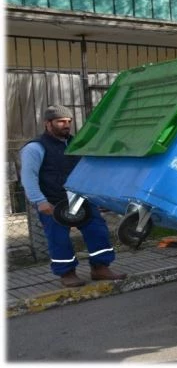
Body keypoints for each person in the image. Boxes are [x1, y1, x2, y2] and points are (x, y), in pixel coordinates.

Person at [20, 105, 127, 288]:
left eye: (69, 121)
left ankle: (100, 268)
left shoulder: (76, 144)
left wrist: (98, 197)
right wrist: (40, 201)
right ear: (48, 123)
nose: (66, 125)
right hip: (53, 203)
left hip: (81, 200)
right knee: (59, 239)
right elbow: (28, 177)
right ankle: (67, 274)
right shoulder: (35, 148)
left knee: (98, 231)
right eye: (61, 121)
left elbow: (88, 172)